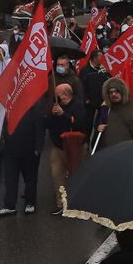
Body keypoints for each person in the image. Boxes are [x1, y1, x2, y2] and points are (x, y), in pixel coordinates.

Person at [0, 97, 46, 216]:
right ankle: (10, 205)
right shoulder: (7, 107)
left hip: (30, 149)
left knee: (30, 178)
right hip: (11, 148)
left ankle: (30, 202)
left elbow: (39, 127)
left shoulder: (34, 105)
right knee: (10, 179)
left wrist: (38, 147)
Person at [46, 82, 88, 215]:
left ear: (65, 95)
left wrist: (64, 115)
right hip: (58, 147)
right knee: (57, 175)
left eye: (57, 95)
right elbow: (48, 125)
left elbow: (80, 124)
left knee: (77, 174)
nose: (55, 97)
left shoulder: (79, 106)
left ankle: (78, 202)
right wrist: (52, 115)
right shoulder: (54, 105)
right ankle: (62, 204)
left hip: (75, 147)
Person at [98, 77, 133, 149]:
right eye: (111, 92)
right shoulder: (105, 109)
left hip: (128, 150)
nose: (114, 94)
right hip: (109, 151)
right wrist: (98, 127)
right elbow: (99, 125)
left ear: (122, 92)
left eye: (117, 91)